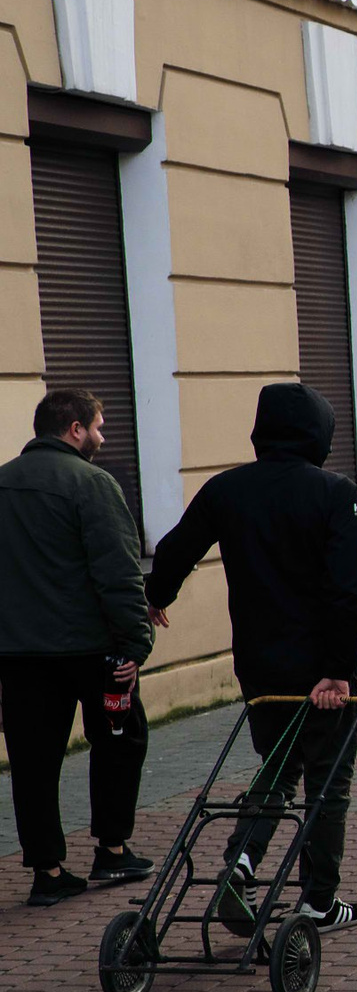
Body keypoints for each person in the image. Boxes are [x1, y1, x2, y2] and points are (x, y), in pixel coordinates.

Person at [145, 383, 357, 934]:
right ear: (319, 433)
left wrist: (158, 595)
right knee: (328, 782)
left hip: (261, 665)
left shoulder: (227, 489)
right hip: (323, 669)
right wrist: (338, 667)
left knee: (276, 769)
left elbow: (176, 547)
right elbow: (346, 589)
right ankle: (318, 900)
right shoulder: (334, 492)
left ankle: (240, 865)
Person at [0, 388, 153, 907]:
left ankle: (47, 871)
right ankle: (111, 850)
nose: (103, 437)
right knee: (120, 738)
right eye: (98, 426)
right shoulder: (92, 484)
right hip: (94, 652)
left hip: (19, 656)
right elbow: (118, 572)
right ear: (75, 430)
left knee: (33, 762)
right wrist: (136, 641)